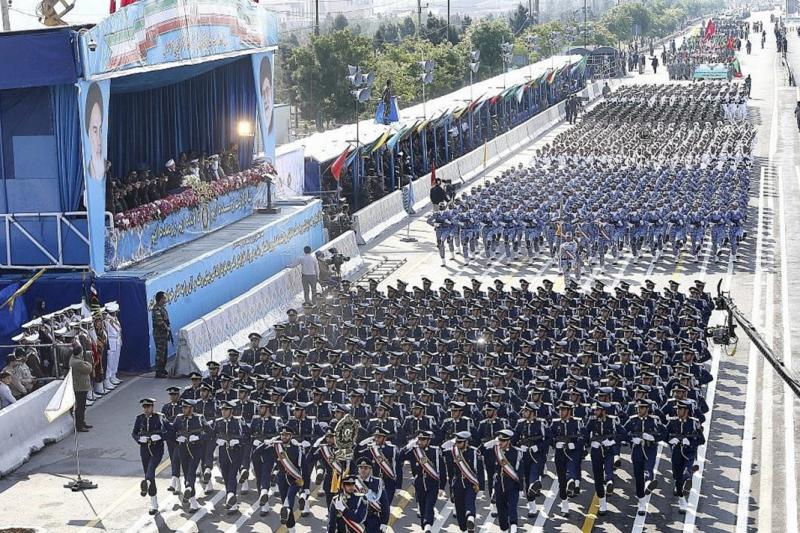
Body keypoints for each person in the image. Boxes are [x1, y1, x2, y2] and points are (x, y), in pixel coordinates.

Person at [132, 397, 168, 515]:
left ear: (153, 407)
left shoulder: (160, 417)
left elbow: (167, 431)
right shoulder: (139, 418)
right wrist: (139, 439)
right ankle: (154, 503)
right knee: (148, 473)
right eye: (144, 407)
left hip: (156, 448)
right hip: (144, 449)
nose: (146, 409)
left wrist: (159, 436)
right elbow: (134, 433)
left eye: (148, 406)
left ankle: (146, 483)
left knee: (151, 468)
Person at [70, 344, 93, 432]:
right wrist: (88, 363)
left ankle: (82, 422)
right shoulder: (78, 362)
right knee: (80, 407)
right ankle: (79, 425)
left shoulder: (74, 359)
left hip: (80, 385)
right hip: (80, 387)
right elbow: (88, 369)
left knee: (82, 406)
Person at [152, 291, 172, 378]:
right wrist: (166, 328)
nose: (165, 300)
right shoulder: (156, 309)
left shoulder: (162, 308)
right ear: (160, 299)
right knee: (160, 353)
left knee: (164, 353)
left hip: (164, 334)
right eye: (164, 298)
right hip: (159, 335)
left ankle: (162, 369)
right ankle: (158, 371)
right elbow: (160, 322)